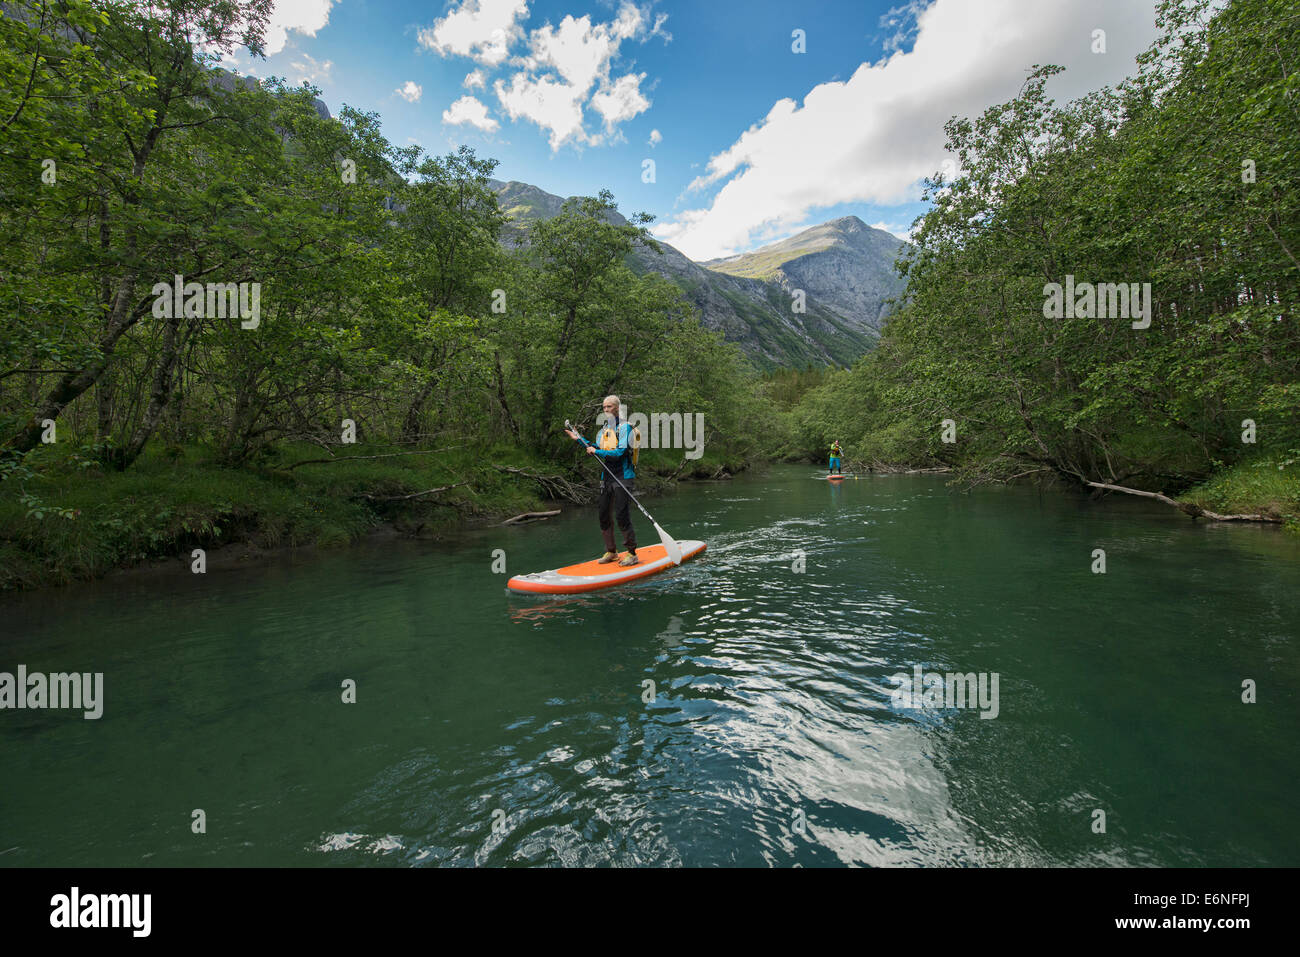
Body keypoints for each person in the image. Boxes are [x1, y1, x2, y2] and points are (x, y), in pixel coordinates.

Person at [565, 395, 639, 566]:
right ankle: (612, 552)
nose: (606, 410)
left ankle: (632, 553)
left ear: (617, 408)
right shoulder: (604, 429)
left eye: (609, 407)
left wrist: (596, 452)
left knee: (622, 515)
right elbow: (596, 447)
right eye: (604, 407)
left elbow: (620, 452)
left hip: (623, 477)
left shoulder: (625, 428)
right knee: (603, 514)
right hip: (606, 477)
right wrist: (579, 439)